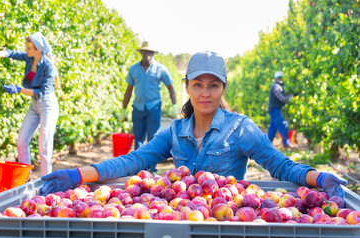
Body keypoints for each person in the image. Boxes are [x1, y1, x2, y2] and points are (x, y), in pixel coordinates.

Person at [41, 51, 347, 199]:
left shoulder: (240, 129)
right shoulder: (175, 132)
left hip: (229, 220)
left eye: (213, 85)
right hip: (181, 218)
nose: (205, 93)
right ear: (187, 87)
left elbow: (280, 166)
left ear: (223, 88)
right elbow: (135, 160)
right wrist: (79, 173)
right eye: (198, 84)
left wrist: (318, 178)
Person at [0, 32, 60, 176]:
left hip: (47, 105)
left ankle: (45, 183)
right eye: (26, 48)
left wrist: (18, 89)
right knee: (21, 142)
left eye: (29, 48)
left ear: (38, 49)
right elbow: (12, 53)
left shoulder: (48, 66)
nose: (26, 51)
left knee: (44, 147)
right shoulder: (30, 58)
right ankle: (25, 180)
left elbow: (41, 92)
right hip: (34, 105)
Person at [121, 41, 178, 173]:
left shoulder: (160, 69)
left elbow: (170, 88)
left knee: (153, 137)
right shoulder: (133, 69)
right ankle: (138, 167)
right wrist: (123, 108)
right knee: (138, 138)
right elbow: (129, 89)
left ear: (152, 54)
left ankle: (152, 168)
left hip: (154, 107)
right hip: (138, 107)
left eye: (149, 52)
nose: (147, 54)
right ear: (141, 53)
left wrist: (174, 105)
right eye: (145, 52)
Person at [267, 71, 297, 149]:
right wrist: (291, 96)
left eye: (280, 77)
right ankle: (286, 143)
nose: (280, 79)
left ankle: (267, 144)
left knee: (273, 128)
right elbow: (282, 99)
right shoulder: (276, 87)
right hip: (274, 109)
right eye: (279, 78)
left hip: (274, 109)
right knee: (283, 125)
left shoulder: (279, 86)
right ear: (275, 78)